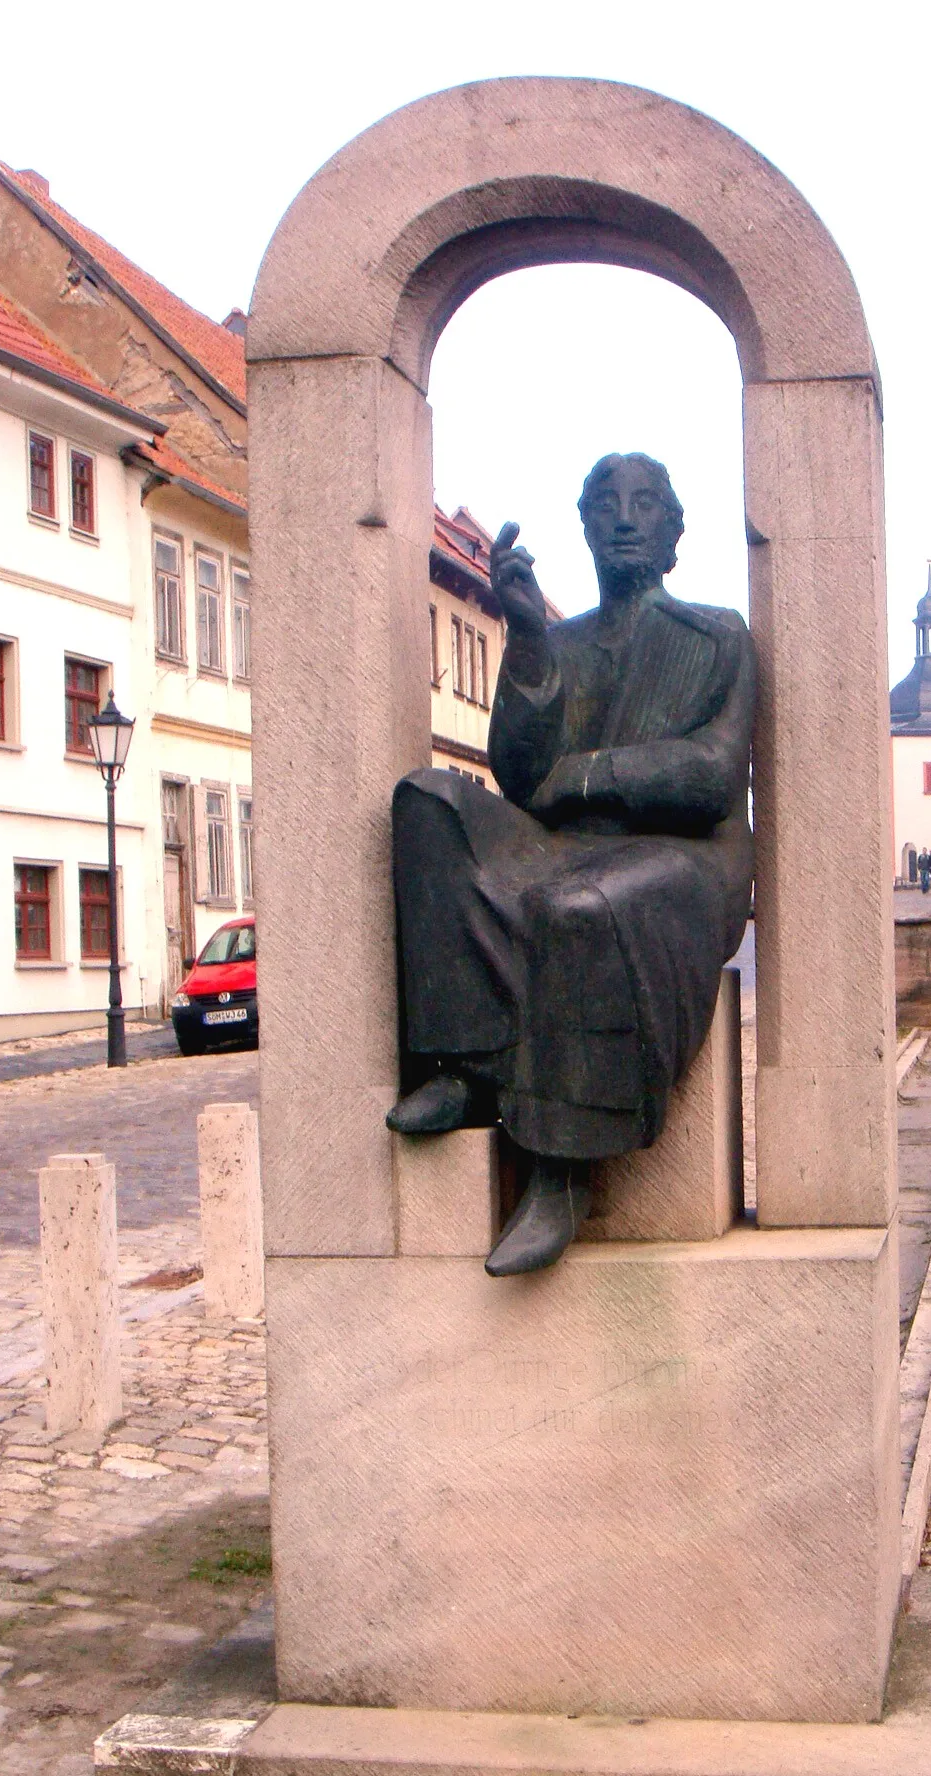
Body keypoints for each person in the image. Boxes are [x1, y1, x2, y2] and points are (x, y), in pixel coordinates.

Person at [385, 453, 756, 1277]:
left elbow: (712, 774)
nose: (624, 518)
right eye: (606, 506)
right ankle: (470, 1067)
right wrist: (525, 638)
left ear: (672, 531)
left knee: (579, 908)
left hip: (684, 857)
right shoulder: (564, 639)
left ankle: (563, 1167)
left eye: (645, 505)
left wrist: (591, 776)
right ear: (585, 527)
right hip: (565, 840)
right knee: (427, 804)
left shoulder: (718, 633)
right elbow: (518, 771)